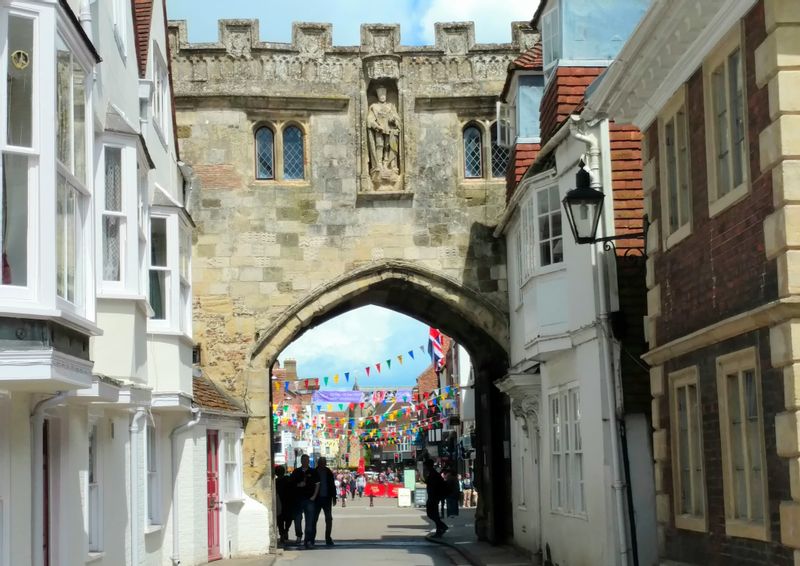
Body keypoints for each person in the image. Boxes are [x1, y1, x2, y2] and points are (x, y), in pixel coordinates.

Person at [289, 455, 319, 548]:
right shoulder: (296, 472)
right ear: (301, 461)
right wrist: (298, 484)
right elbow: (291, 484)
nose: (305, 461)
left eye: (306, 460)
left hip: (309, 499)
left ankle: (308, 541)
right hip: (298, 499)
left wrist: (314, 496)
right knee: (297, 520)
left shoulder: (313, 472)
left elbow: (318, 484)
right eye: (303, 460)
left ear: (308, 461)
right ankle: (299, 535)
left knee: (309, 521)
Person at [313, 457, 337, 546]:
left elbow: (332, 485)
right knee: (314, 519)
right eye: (321, 462)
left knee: (329, 519)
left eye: (324, 462)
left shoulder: (328, 472)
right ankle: (312, 538)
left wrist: (334, 497)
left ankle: (328, 538)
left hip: (327, 499)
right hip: (317, 499)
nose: (323, 464)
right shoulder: (314, 472)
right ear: (318, 463)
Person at [423, 459, 448, 537]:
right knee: (434, 514)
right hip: (433, 496)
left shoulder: (433, 474)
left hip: (433, 497)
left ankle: (442, 527)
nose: (424, 467)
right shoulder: (432, 473)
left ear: (427, 466)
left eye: (425, 466)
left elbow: (433, 485)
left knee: (431, 513)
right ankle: (440, 529)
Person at [275, 465, 295, 545]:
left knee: (280, 519)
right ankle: (285, 531)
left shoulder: (276, 482)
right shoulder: (288, 479)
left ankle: (283, 533)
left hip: (282, 502)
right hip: (287, 502)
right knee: (287, 519)